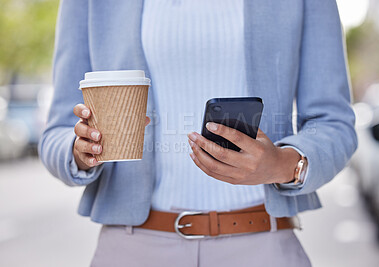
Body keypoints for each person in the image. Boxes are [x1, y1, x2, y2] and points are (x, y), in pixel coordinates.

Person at [39, 0, 358, 266]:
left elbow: (333, 121)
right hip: (133, 248)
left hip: (263, 246)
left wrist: (282, 164)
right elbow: (57, 132)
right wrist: (81, 150)